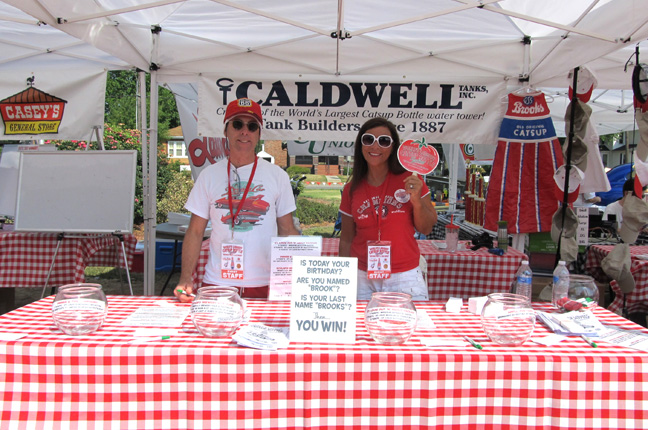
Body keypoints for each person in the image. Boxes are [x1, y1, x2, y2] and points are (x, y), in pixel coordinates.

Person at [174, 98, 300, 302]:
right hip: (217, 283)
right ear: (226, 130)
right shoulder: (208, 176)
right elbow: (195, 231)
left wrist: (301, 269)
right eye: (237, 124)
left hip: (264, 283)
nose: (244, 131)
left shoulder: (278, 176)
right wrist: (185, 278)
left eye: (252, 126)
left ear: (259, 134)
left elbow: (287, 231)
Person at [338, 117, 437, 300]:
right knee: (361, 328)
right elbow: (346, 239)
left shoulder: (412, 181)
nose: (375, 147)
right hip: (362, 276)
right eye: (368, 139)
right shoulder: (351, 189)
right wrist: (343, 277)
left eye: (384, 141)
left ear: (393, 148)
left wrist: (416, 200)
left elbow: (426, 228)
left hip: (404, 276)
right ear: (361, 145)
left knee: (407, 328)